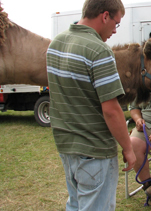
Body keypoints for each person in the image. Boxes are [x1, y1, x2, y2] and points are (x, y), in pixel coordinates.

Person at [46, 0, 136, 210]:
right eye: (116, 23)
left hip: (66, 146)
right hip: (94, 151)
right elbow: (112, 110)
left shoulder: (55, 44)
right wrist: (128, 148)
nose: (115, 30)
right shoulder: (99, 51)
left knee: (76, 204)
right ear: (105, 16)